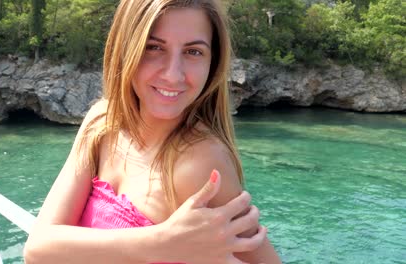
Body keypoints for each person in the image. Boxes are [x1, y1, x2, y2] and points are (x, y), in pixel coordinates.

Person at [24, 0, 281, 263]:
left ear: (212, 63)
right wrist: (162, 241)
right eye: (154, 47)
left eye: (193, 52)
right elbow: (37, 249)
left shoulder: (201, 163)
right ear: (126, 49)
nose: (173, 75)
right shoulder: (101, 123)